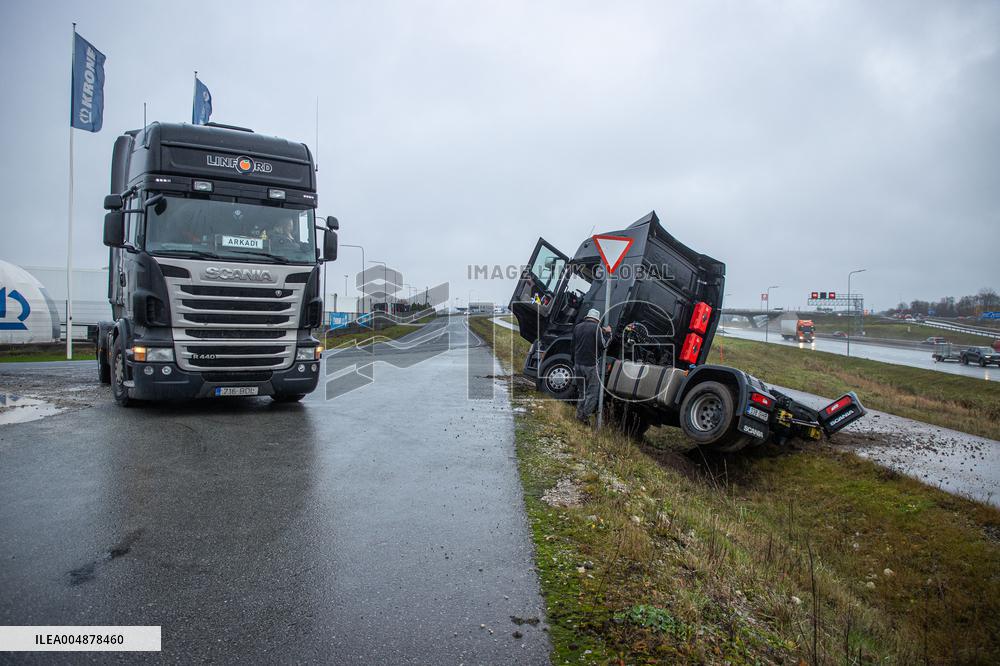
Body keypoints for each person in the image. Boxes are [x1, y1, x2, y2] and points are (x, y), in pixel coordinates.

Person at [573, 308, 612, 425]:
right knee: (592, 393)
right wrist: (609, 333)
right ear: (597, 320)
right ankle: (584, 418)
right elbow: (604, 345)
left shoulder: (577, 327)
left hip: (578, 364)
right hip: (591, 365)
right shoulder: (596, 328)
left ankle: (578, 415)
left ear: (587, 317)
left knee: (582, 392)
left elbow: (572, 345)